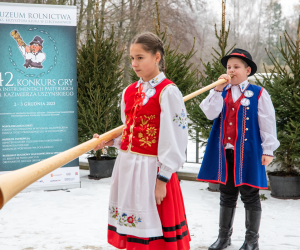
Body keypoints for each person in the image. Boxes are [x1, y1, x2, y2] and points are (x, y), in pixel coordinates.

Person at [93, 32, 191, 250]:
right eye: (131, 58)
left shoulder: (168, 92)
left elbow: (175, 137)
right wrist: (109, 141)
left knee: (155, 234)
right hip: (127, 168)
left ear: (157, 57)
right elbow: (129, 131)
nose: (134, 63)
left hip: (152, 171)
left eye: (140, 57)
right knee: (133, 231)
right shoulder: (129, 91)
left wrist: (162, 179)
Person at [197, 48, 280, 250]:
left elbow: (267, 123)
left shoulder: (259, 93)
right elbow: (209, 112)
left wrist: (268, 150)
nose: (231, 70)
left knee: (250, 194)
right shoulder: (220, 92)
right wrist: (217, 89)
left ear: (247, 70)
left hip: (249, 153)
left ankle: (252, 241)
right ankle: (223, 238)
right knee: (226, 194)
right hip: (225, 151)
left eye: (236, 67)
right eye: (228, 67)